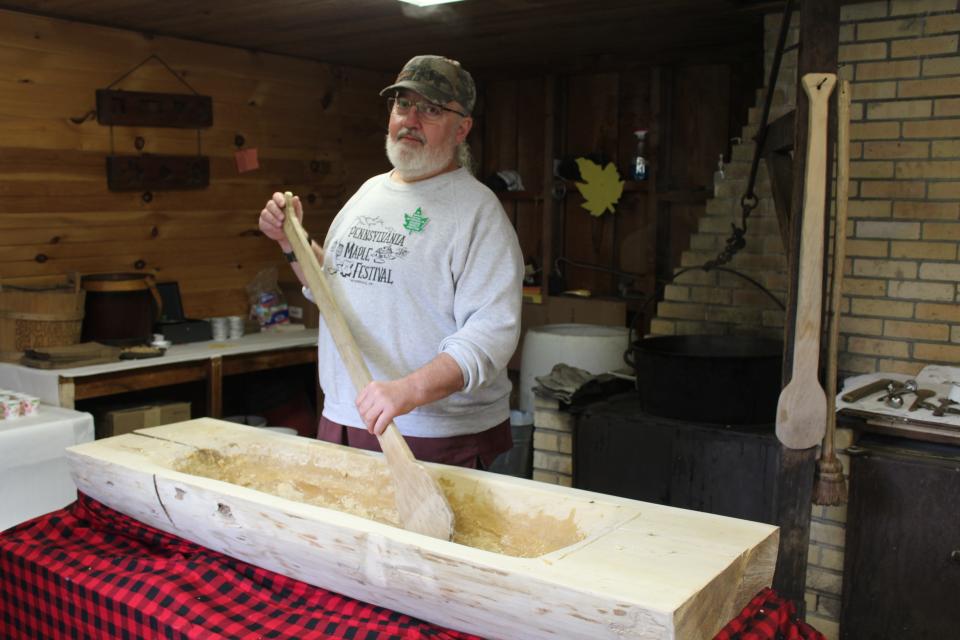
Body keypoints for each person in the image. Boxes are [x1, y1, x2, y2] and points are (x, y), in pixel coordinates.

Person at [258, 55, 524, 469]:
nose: (411, 119)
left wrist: (407, 392)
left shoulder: (476, 212)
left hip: (434, 435)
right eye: (403, 104)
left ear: (462, 128)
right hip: (347, 419)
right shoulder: (367, 194)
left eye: (432, 109)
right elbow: (332, 285)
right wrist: (290, 238)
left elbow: (490, 335)